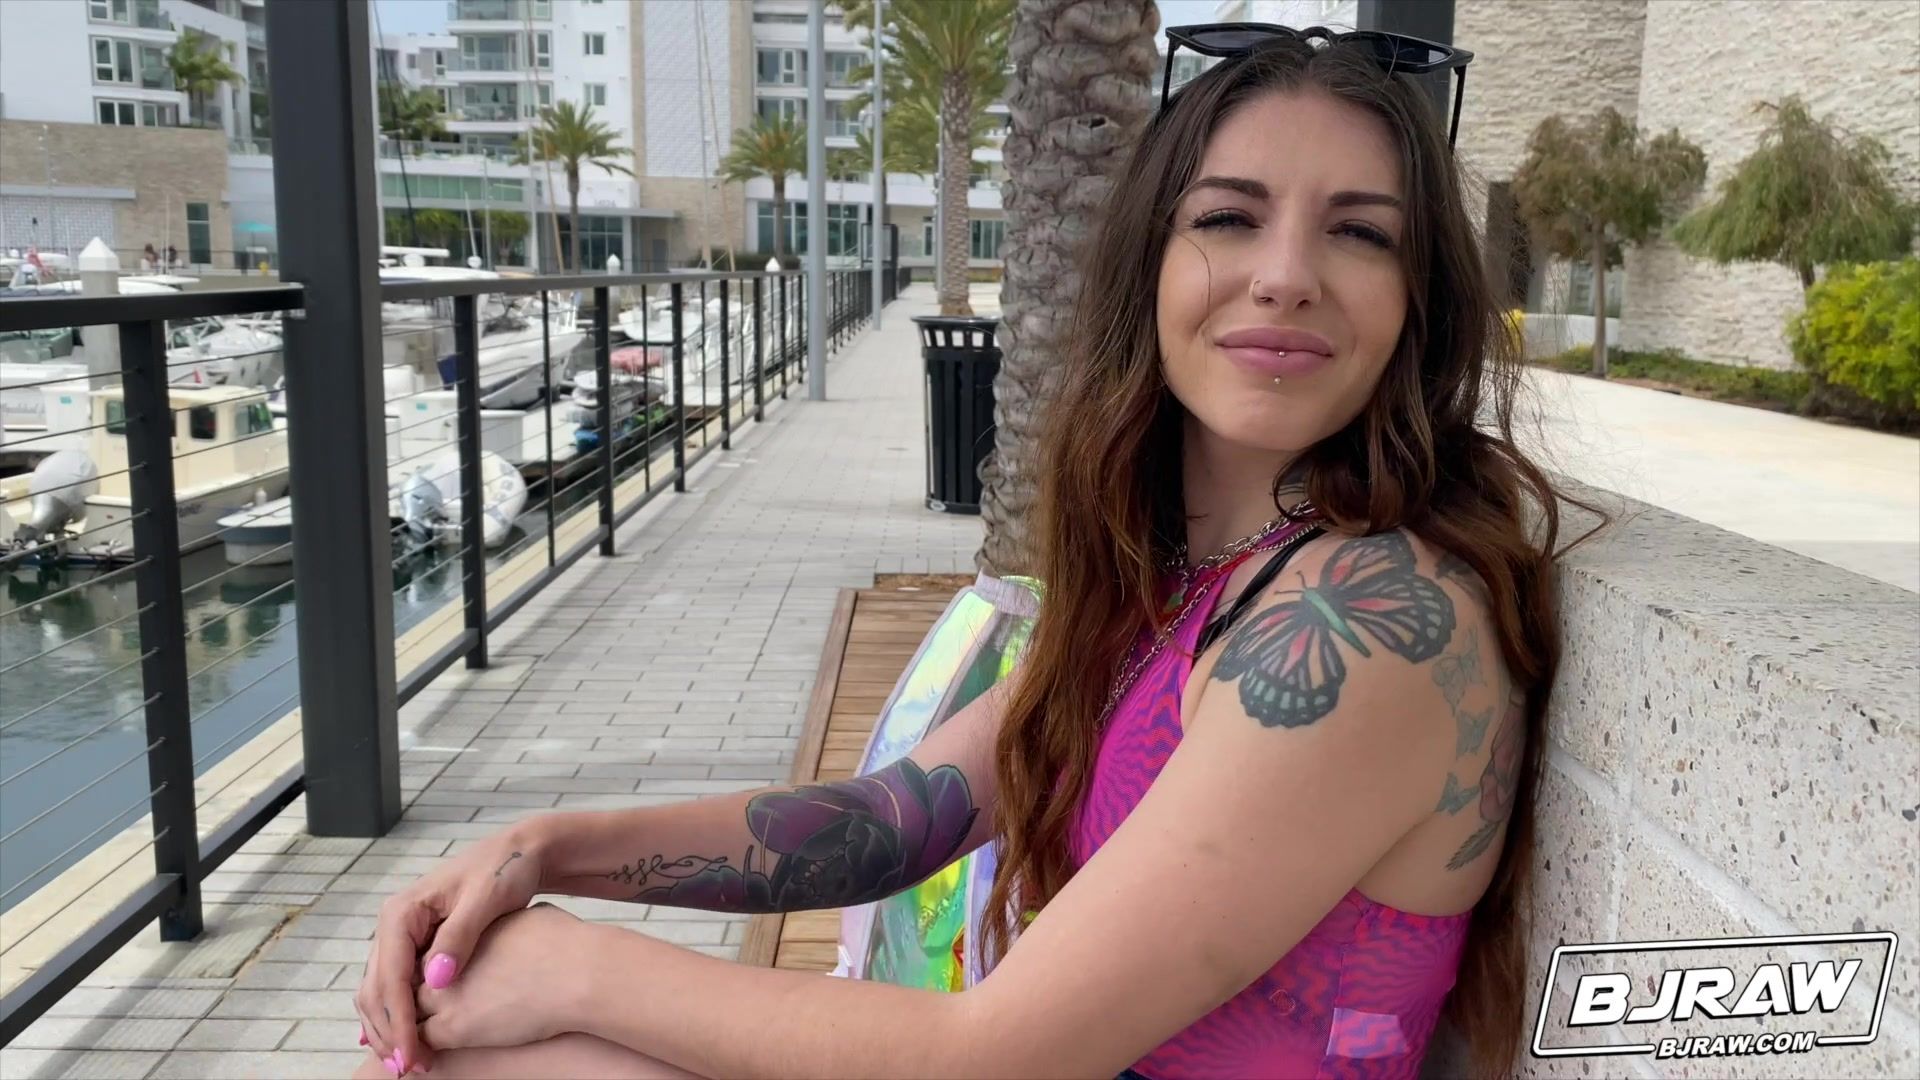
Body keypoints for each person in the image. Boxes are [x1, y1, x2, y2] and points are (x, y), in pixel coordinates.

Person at [353, 26, 1598, 1080]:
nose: (1284, 276)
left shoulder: (1370, 622)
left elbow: (994, 1054)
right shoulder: (1195, 577)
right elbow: (889, 820)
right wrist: (543, 848)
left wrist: (575, 969)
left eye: (1360, 234)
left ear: (1418, 303)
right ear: (1149, 267)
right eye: (1229, 217)